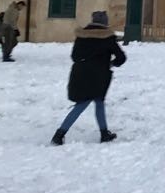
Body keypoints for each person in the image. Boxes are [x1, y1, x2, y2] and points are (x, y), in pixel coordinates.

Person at [52, 10, 126, 145]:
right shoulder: (108, 37)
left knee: (96, 102)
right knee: (86, 103)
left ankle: (104, 133)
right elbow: (121, 58)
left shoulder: (82, 36)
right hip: (99, 75)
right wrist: (111, 63)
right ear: (105, 22)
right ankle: (59, 134)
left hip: (80, 73)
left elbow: (74, 56)